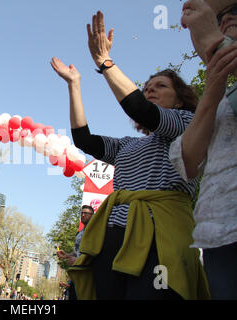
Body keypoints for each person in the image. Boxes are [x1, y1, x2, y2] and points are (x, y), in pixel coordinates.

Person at [50, 11, 209, 300]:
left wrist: (105, 63)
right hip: (112, 236)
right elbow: (84, 139)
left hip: (160, 238)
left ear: (180, 98)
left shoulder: (188, 123)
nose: (149, 92)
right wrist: (74, 85)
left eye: (160, 86)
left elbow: (139, 108)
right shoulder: (127, 145)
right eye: (146, 88)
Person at [169, 0, 237, 299]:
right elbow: (188, 160)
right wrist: (212, 89)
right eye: (222, 19)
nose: (226, 24)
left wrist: (217, 44)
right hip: (219, 237)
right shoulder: (219, 99)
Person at [56, 205, 94, 300]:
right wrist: (66, 255)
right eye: (81, 213)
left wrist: (77, 260)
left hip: (86, 272)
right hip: (75, 273)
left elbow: (93, 251)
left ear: (92, 216)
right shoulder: (79, 232)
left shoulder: (95, 231)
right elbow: (77, 251)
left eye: (86, 213)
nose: (83, 215)